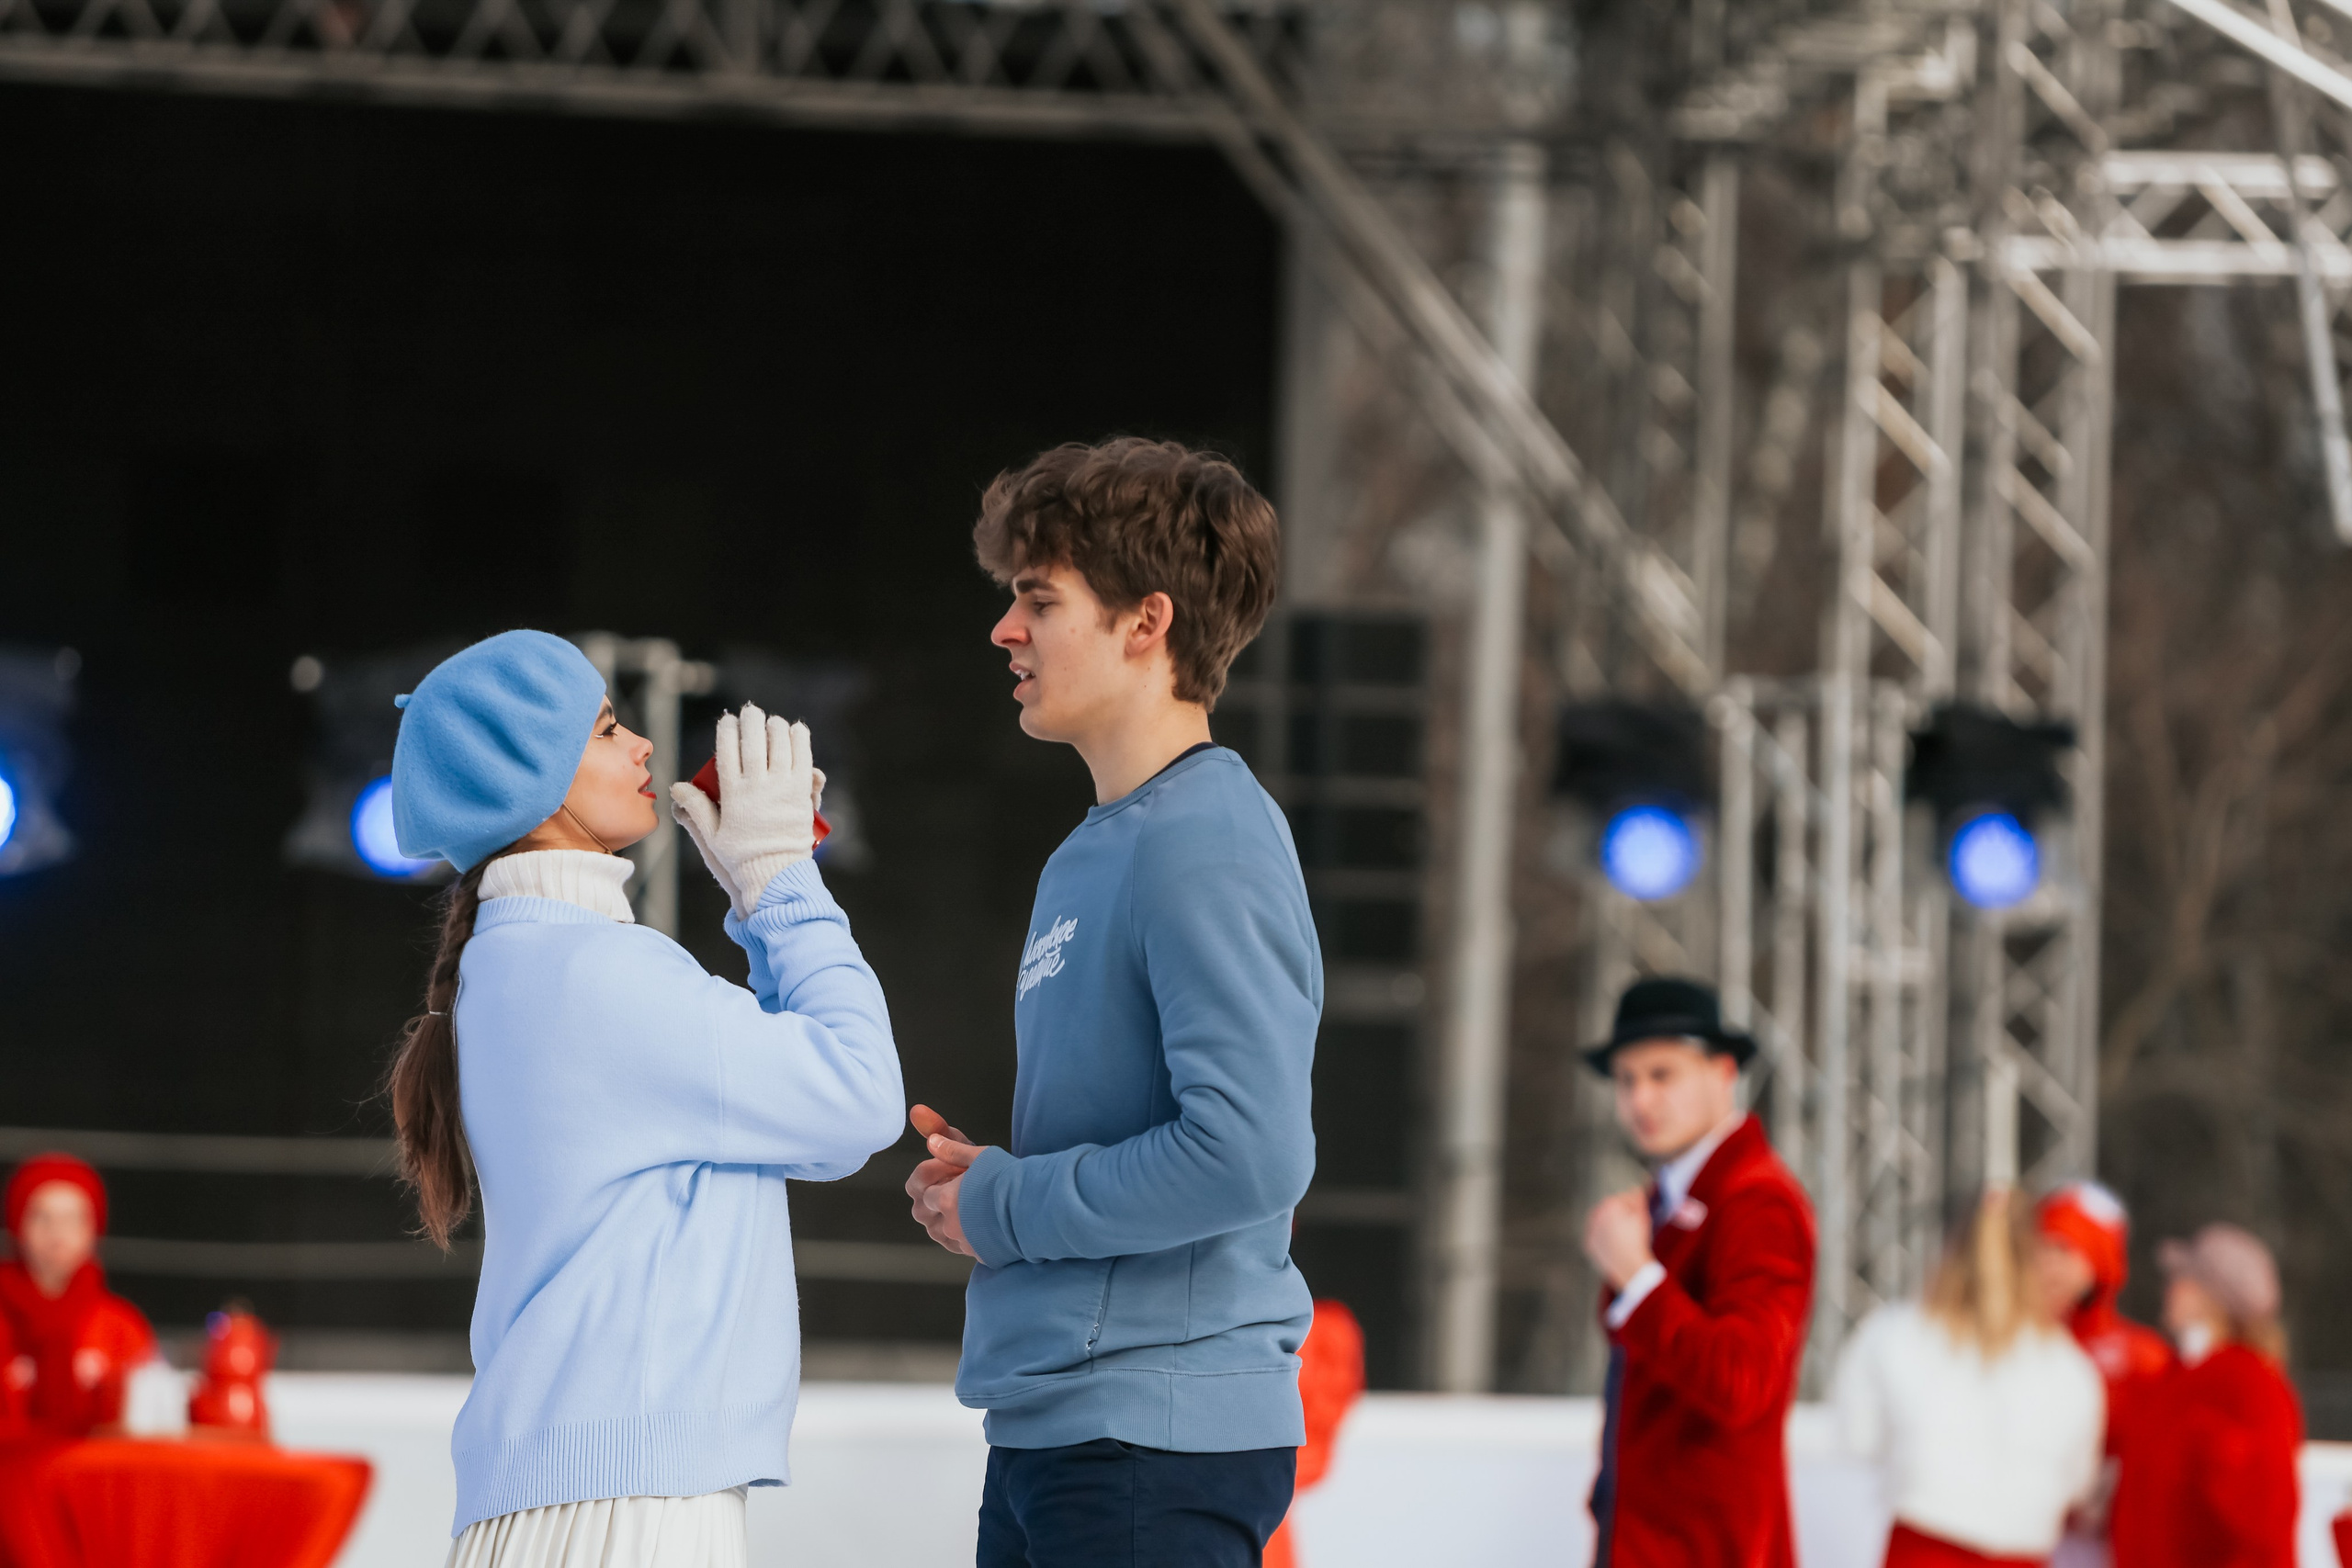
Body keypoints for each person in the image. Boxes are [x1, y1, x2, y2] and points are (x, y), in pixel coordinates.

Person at [381, 629, 904, 1564]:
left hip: (583, 1493)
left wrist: (764, 895)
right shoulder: (595, 971)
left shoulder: (519, 963)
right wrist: (780, 881)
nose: (643, 749)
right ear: (521, 774)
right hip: (626, 1503)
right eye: (607, 727)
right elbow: (860, 1096)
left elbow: (811, 1127)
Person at [902, 439, 1317, 1568]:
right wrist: (991, 1187)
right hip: (1066, 1423)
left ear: (1147, 623)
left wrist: (1009, 1205)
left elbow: (1248, 1155)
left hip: (1150, 1435)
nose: (1006, 630)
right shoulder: (1098, 850)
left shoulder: (1207, 839)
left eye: (1039, 599)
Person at [1579, 976, 1814, 1568]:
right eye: (1628, 1080)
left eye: (1663, 1075)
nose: (1641, 1100)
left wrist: (1634, 1275)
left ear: (1724, 1072)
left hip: (1707, 1547)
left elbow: (1741, 1380)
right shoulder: (1675, 1198)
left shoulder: (1757, 1202)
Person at [1834, 1189, 2106, 1567]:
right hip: (2021, 1553)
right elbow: (2078, 1485)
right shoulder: (2073, 1371)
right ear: (2032, 1258)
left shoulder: (1893, 1332)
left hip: (1921, 1548)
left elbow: (1857, 1440)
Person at [2107, 1224, 2301, 1568]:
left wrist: (2213, 1452)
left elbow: (2266, 1516)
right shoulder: (2175, 1376)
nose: (2170, 1289)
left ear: (2214, 1297)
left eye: (2185, 1280)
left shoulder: (2251, 1382)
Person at [2034, 1180, 2171, 1564]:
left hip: (2104, 1545)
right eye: (2040, 1248)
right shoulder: (2010, 1342)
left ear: (2099, 1262)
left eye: (2064, 1249)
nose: (2048, 1263)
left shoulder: (2141, 1357)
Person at [0, 1153, 157, 1438]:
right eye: (41, 1217)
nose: (57, 1234)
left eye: (73, 1219)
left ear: (93, 1229)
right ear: (16, 1224)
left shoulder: (121, 1328)